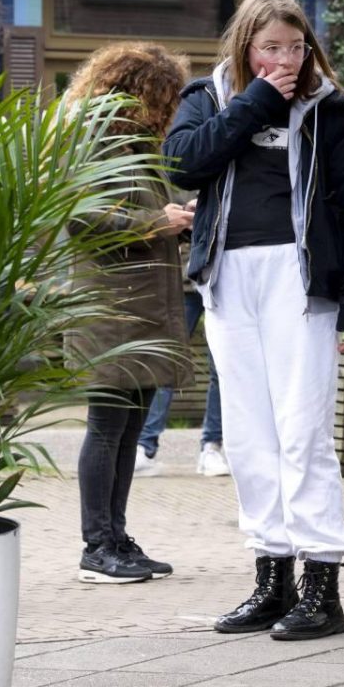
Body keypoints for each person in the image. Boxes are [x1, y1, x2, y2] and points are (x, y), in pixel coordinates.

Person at [163, 0, 344, 640]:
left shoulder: (329, 110)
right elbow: (183, 160)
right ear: (245, 47)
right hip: (229, 277)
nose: (285, 58)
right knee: (248, 435)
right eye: (270, 48)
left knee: (301, 429)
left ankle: (322, 585)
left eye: (294, 46)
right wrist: (259, 98)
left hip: (300, 276)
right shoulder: (208, 98)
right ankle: (271, 577)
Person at [61, 43, 195, 585]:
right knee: (107, 426)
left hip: (140, 307)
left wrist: (172, 217)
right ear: (139, 93)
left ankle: (117, 537)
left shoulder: (137, 145)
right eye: (165, 98)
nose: (170, 111)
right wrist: (154, 221)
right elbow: (80, 217)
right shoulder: (95, 139)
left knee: (129, 427)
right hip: (110, 310)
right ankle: (97, 547)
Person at [133, 196, 227, 479]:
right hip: (181, 275)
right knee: (165, 362)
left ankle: (212, 446)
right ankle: (144, 446)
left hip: (223, 273)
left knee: (222, 367)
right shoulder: (166, 159)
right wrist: (184, 207)